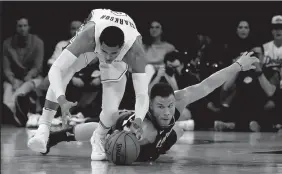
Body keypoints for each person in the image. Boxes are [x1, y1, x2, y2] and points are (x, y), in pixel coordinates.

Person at [38, 52, 258, 161]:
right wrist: (119, 148)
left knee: (179, 128)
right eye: (161, 107)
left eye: (169, 106)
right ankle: (55, 137)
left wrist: (238, 66)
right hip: (132, 132)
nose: (166, 111)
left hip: (158, 145)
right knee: (103, 127)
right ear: (150, 106)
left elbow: (208, 84)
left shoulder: (179, 99)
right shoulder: (139, 126)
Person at [27, 9, 150, 161]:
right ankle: (43, 128)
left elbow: (142, 94)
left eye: (113, 53)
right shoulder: (88, 36)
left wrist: (138, 119)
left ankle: (99, 136)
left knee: (111, 109)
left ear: (122, 46)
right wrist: (61, 99)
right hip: (94, 31)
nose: (108, 58)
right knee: (65, 72)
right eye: (105, 52)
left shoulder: (135, 51)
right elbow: (55, 69)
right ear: (99, 43)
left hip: (118, 48)